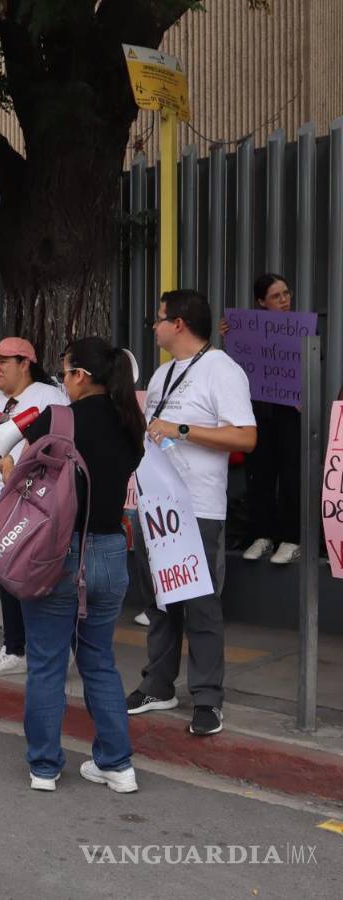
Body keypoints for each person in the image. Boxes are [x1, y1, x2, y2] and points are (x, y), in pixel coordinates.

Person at [0, 337, 145, 793]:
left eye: (64, 373)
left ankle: (45, 767)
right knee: (99, 660)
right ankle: (117, 765)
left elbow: (8, 452)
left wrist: (8, 469)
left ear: (81, 375)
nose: (61, 382)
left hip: (58, 553)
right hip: (110, 552)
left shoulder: (58, 419)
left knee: (46, 662)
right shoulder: (129, 422)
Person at [128, 289, 256, 737]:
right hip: (157, 505)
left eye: (158, 318)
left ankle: (207, 697)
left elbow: (245, 437)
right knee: (160, 601)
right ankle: (158, 685)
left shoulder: (223, 370)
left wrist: (181, 429)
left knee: (201, 604)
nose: (155, 326)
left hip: (198, 506)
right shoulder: (163, 374)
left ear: (178, 323)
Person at [0, 337, 66, 678]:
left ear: (25, 364)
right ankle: (15, 646)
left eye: (4, 361)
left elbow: (60, 451)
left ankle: (37, 647)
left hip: (27, 502)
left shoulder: (50, 398)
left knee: (28, 574)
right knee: (1, 574)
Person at [220, 274, 303, 565]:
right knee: (259, 476)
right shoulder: (248, 332)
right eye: (276, 296)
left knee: (292, 477)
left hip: (291, 414)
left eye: (286, 293)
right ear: (260, 302)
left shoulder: (298, 330)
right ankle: (263, 536)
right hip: (258, 414)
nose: (284, 300)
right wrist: (230, 335)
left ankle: (291, 539)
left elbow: (309, 368)